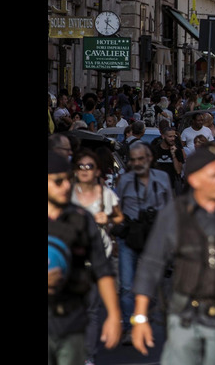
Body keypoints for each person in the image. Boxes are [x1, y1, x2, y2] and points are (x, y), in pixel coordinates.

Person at [130, 146, 215, 364]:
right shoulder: (175, 212)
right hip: (184, 316)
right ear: (195, 180)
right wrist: (139, 317)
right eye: (214, 176)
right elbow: (151, 264)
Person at [50, 151, 122, 365]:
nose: (66, 186)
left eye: (68, 180)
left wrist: (112, 314)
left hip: (72, 322)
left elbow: (102, 269)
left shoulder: (81, 220)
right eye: (58, 181)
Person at [114, 142, 173, 336]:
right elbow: (117, 208)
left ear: (150, 158)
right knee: (126, 285)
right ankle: (130, 325)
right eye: (134, 160)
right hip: (130, 236)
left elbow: (170, 208)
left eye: (141, 159)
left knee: (154, 283)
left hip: (154, 237)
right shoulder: (125, 181)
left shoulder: (162, 178)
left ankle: (147, 319)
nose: (138, 163)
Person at [151, 126, 186, 195]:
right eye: (170, 137)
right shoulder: (155, 150)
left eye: (174, 136)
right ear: (163, 136)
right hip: (157, 186)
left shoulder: (177, 150)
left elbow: (178, 170)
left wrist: (173, 155)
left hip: (172, 186)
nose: (173, 139)